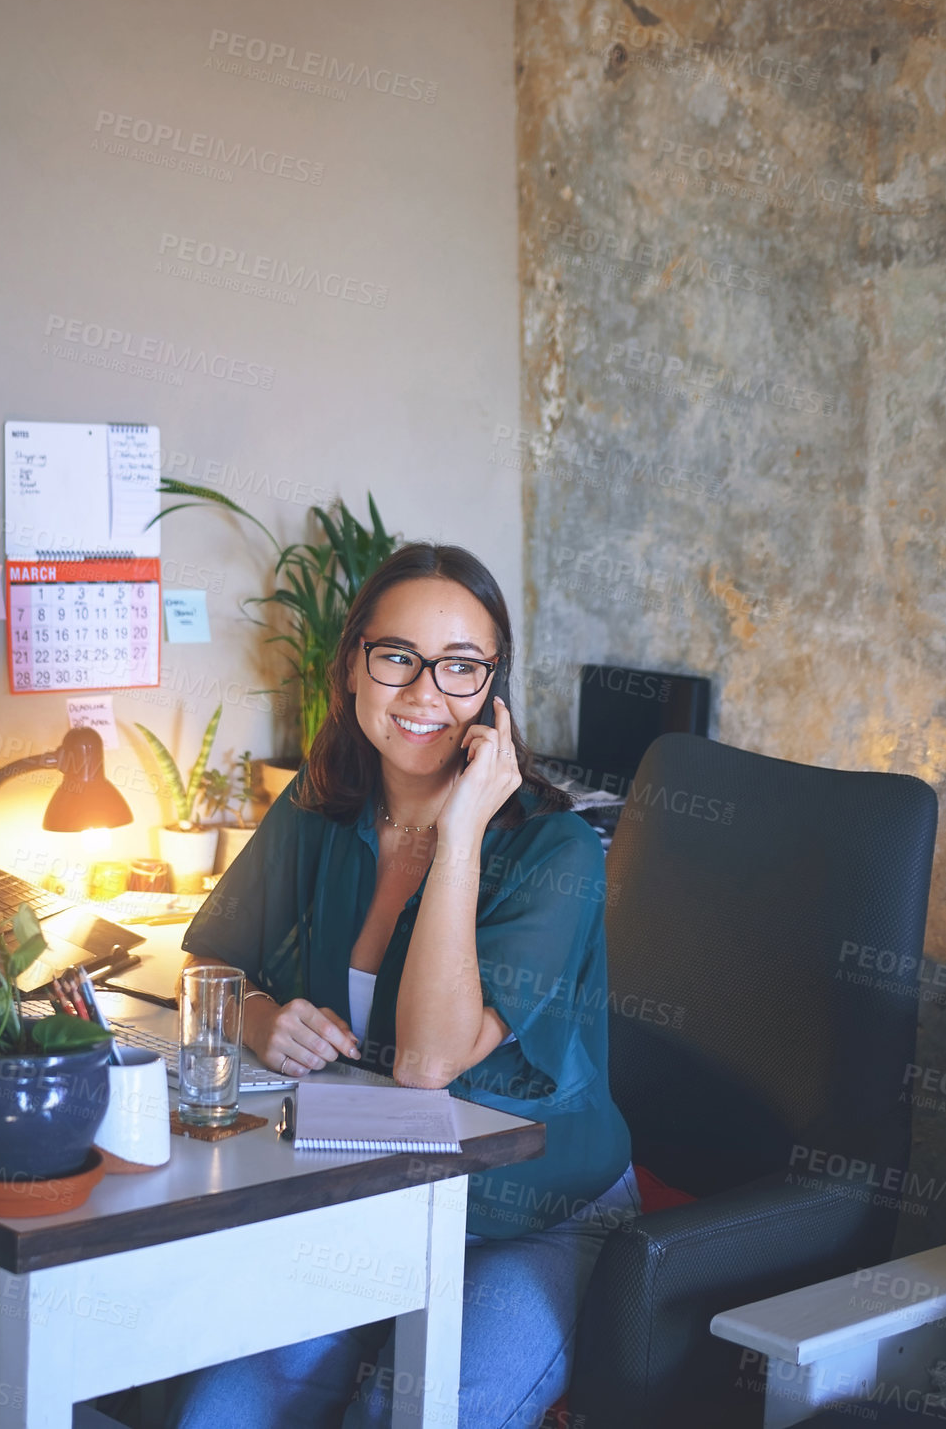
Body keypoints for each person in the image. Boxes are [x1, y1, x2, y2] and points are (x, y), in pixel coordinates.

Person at [170, 542, 637, 1429]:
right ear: (352, 666)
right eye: (397, 658)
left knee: (406, 1416)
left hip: (526, 1215)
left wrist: (458, 834)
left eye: (461, 667)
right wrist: (261, 1018)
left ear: (493, 687)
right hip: (365, 1198)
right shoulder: (317, 808)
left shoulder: (554, 852)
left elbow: (428, 1062)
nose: (426, 693)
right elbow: (207, 962)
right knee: (217, 1414)